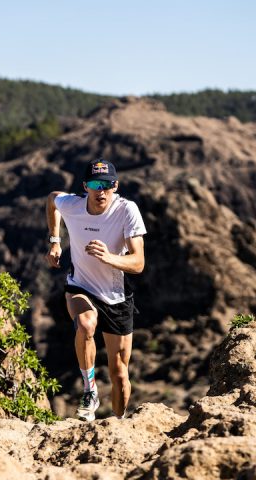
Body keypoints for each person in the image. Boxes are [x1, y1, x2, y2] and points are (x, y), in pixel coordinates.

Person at [45, 158, 146, 421]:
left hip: (116, 294)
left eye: (106, 184)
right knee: (86, 325)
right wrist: (55, 241)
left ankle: (117, 423)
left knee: (120, 374)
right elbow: (52, 199)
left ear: (115, 186)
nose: (100, 190)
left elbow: (138, 263)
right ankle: (90, 392)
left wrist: (109, 257)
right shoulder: (73, 205)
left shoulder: (126, 210)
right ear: (84, 186)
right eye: (93, 184)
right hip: (81, 285)